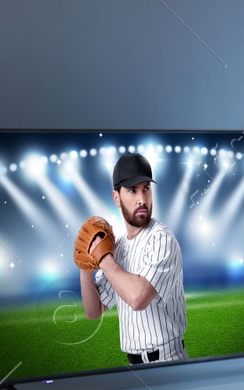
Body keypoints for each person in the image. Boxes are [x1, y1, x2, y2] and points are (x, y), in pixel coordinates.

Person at [78, 152, 189, 364]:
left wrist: (103, 258)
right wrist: (86, 266)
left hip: (168, 361)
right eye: (132, 190)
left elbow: (138, 298)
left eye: (146, 189)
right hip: (133, 366)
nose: (142, 199)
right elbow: (94, 311)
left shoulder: (161, 239)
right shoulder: (117, 249)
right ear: (116, 197)